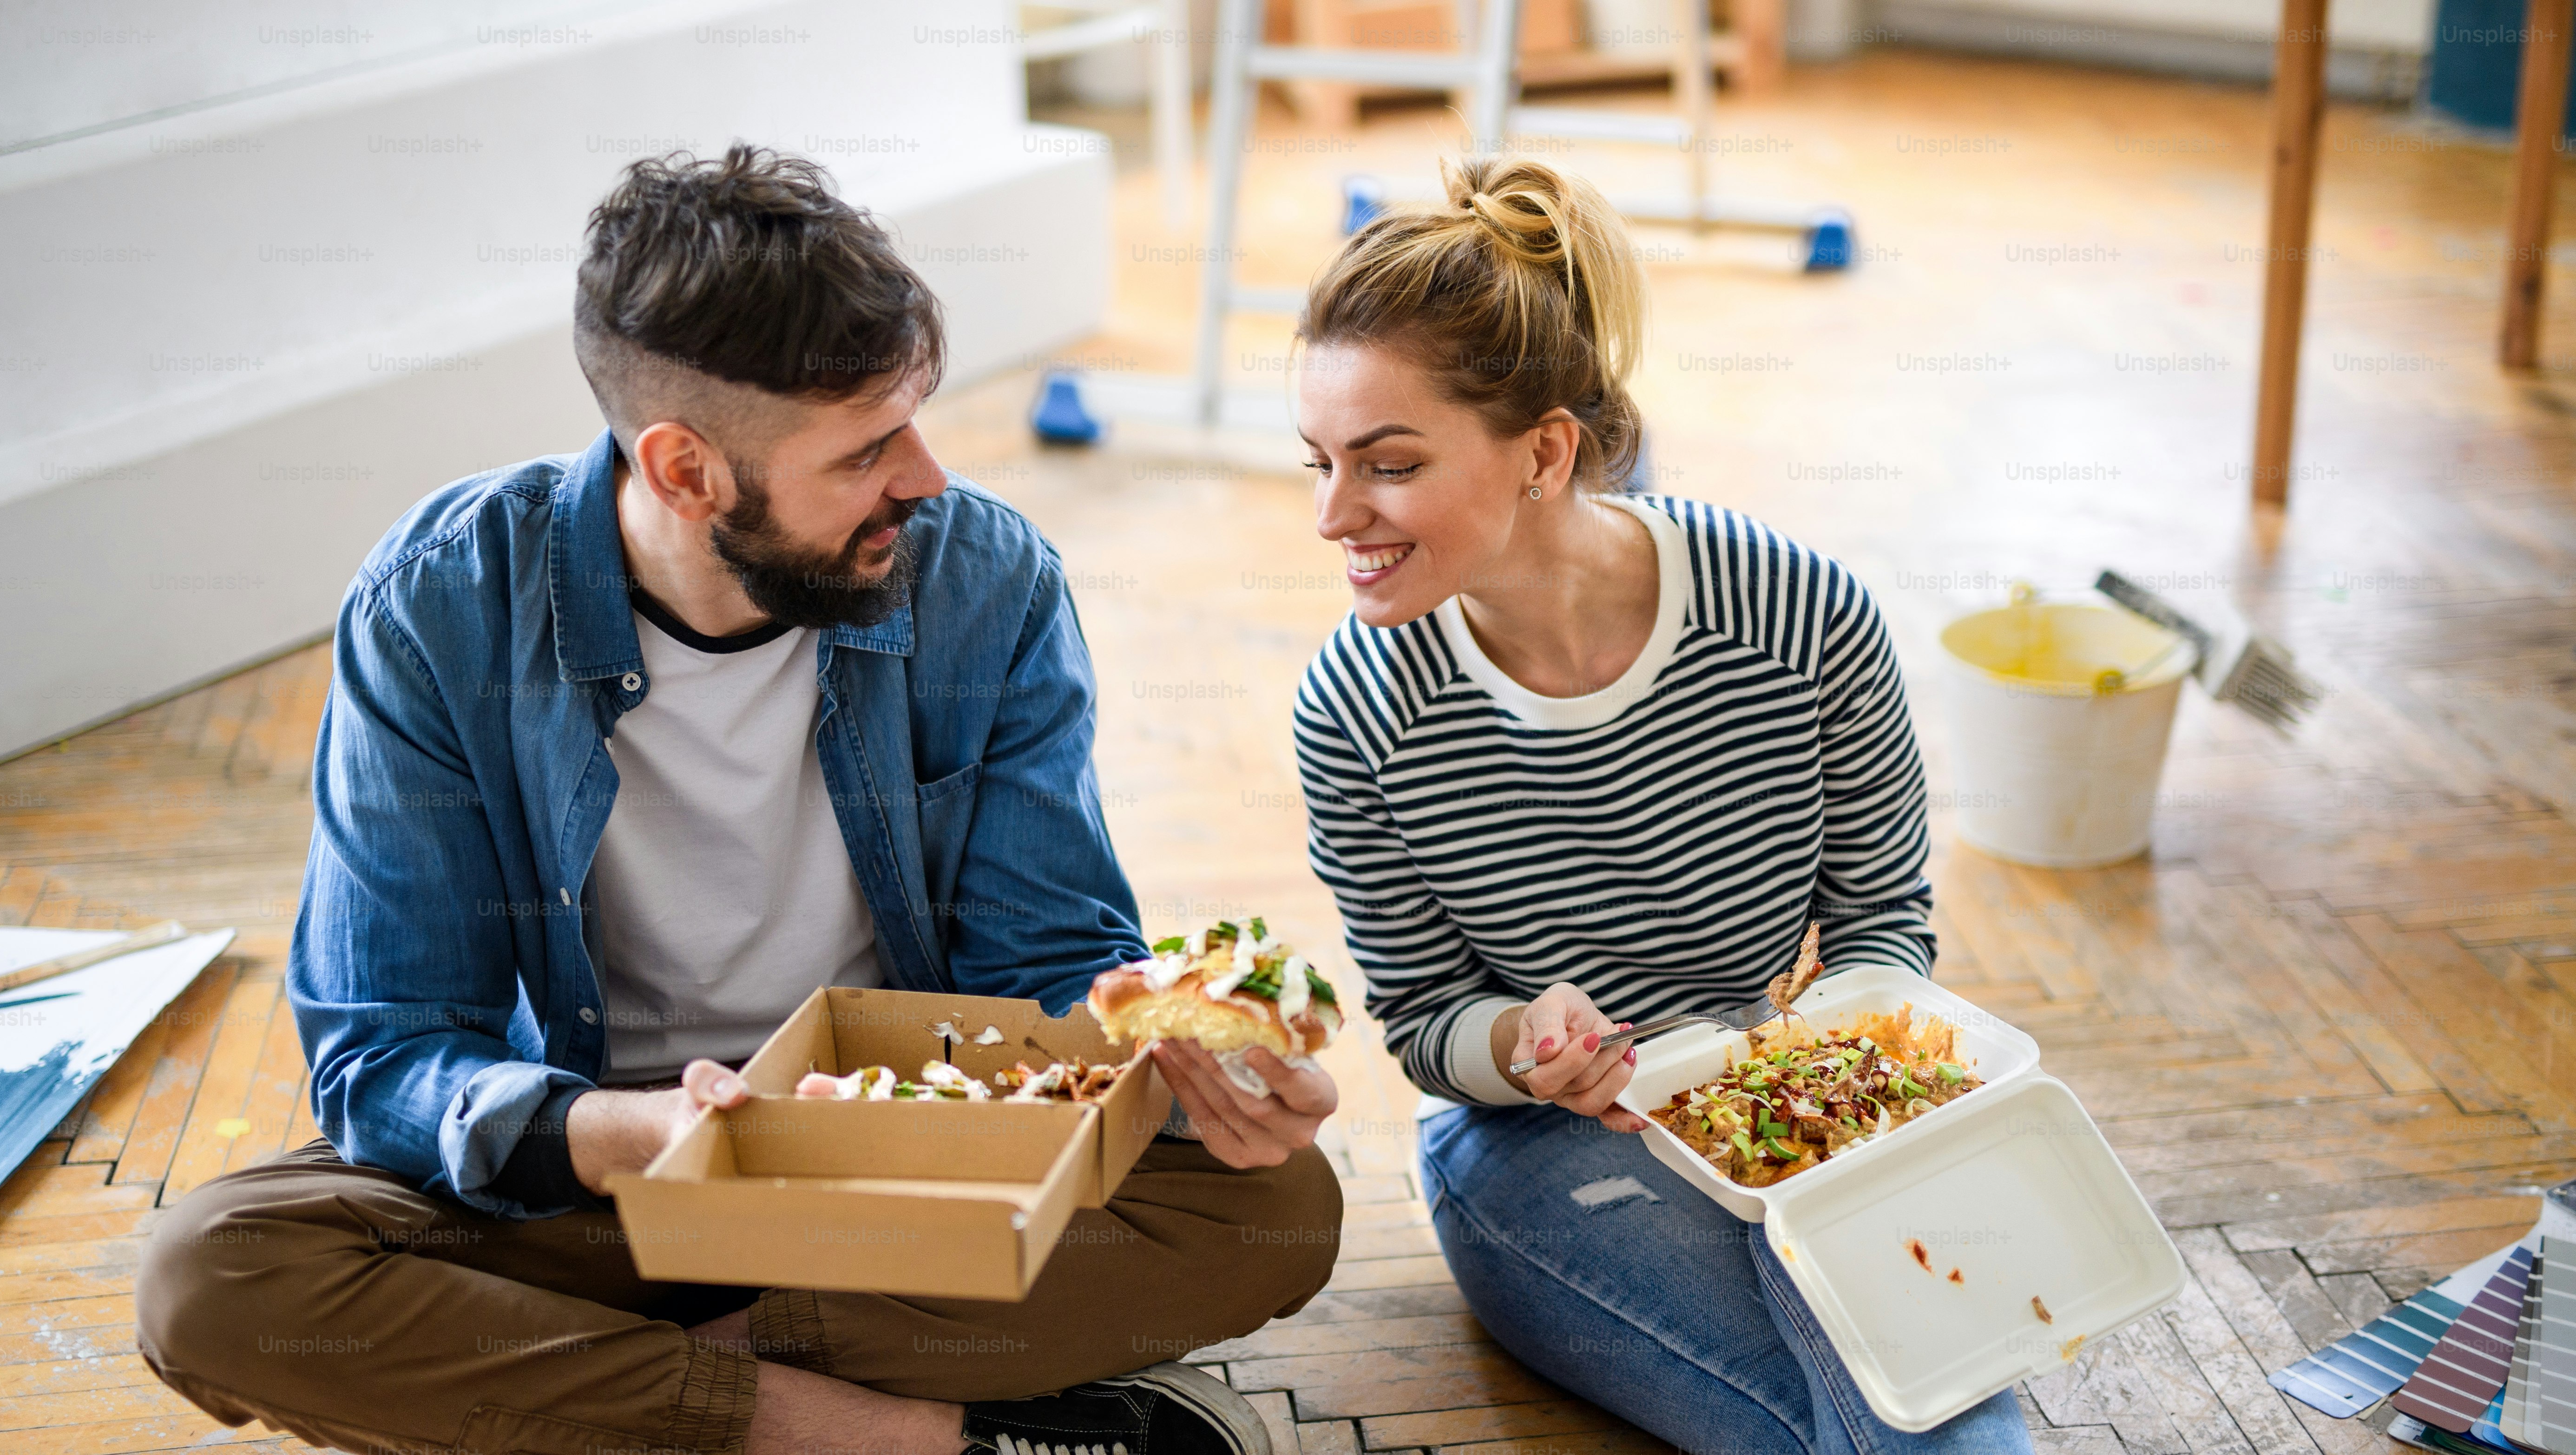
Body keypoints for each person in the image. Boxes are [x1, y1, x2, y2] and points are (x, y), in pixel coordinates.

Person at [132, 145, 1341, 1455]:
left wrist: (1174, 1052)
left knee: (1276, 1205)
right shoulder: (439, 605)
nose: (926, 476)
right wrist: (623, 1135)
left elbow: (1050, 960)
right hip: (599, 1185)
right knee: (215, 1272)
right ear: (685, 469)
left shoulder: (984, 577)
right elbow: (388, 1049)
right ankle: (922, 1437)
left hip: (900, 1184)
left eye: (915, 417)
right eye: (869, 448)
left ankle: (624, 1401)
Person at [1288, 155, 2035, 1455]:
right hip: (1541, 1156)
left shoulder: (1802, 615)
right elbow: (1421, 1024)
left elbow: (1881, 932)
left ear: (1546, 452)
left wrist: (1823, 1104)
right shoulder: (1357, 709)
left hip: (1787, 1089)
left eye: (1387, 464)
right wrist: (1523, 1040)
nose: (1332, 514)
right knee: (1879, 1418)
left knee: (1923, 1395)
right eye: (1319, 461)